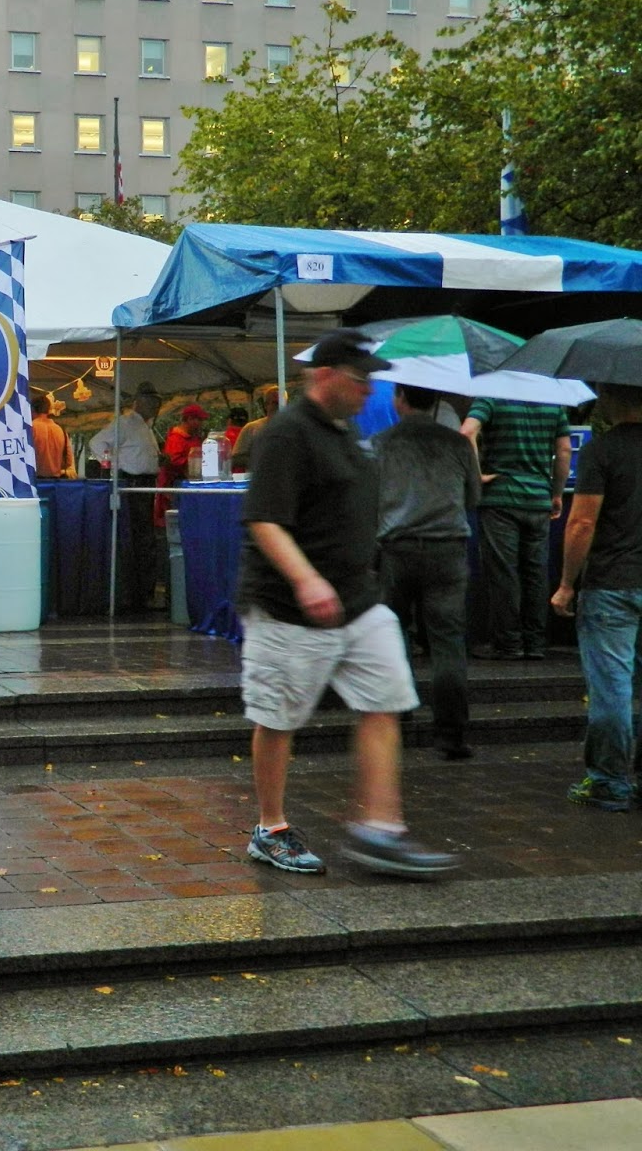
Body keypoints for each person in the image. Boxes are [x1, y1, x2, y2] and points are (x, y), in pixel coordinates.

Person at [238, 329, 458, 878]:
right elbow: (264, 520)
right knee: (278, 718)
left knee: (385, 699)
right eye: (360, 380)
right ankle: (270, 827)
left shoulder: (348, 431)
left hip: (359, 601)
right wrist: (307, 580)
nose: (368, 390)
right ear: (325, 375)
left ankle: (381, 830)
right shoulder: (286, 433)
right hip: (288, 608)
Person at [372, 384, 481, 760]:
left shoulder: (381, 443)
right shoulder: (459, 444)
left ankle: (399, 715)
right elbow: (474, 497)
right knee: (447, 641)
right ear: (436, 401)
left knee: (394, 633)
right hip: (447, 550)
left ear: (399, 398)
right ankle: (451, 734)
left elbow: (369, 500)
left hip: (397, 549)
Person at [551, 383, 642, 812]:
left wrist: (567, 583)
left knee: (611, 688)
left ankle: (608, 782)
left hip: (612, 584)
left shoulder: (602, 451)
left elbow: (582, 523)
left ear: (611, 399)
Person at [460, 398, 571, 660]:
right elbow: (565, 450)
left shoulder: (491, 395)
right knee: (536, 572)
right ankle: (535, 643)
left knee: (504, 572)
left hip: (500, 499)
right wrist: (556, 493)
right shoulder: (551, 401)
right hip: (538, 500)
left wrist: (476, 475)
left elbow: (466, 432)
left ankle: (508, 643)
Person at [88, 384, 162, 611]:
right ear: (139, 402)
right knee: (138, 539)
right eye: (151, 402)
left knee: (145, 539)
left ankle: (143, 592)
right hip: (132, 485)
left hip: (146, 485)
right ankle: (136, 593)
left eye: (157, 403)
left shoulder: (147, 427)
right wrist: (113, 465)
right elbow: (97, 442)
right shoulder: (126, 423)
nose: (156, 407)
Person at [154, 403, 207, 528]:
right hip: (177, 485)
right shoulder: (176, 438)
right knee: (179, 521)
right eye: (199, 420)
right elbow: (173, 461)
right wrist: (193, 463)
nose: (201, 423)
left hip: (190, 484)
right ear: (189, 419)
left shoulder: (193, 437)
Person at [230, 385, 280, 474]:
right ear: (266, 405)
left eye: (282, 403)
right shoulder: (252, 428)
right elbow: (235, 459)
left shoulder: (294, 427)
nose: (278, 407)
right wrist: (260, 460)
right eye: (275, 403)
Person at [30, 390, 72, 480]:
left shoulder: (30, 428)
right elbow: (68, 461)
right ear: (48, 410)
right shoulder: (60, 429)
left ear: (32, 409)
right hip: (56, 482)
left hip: (34, 480)